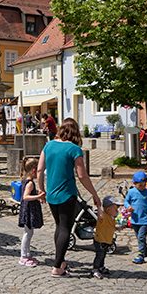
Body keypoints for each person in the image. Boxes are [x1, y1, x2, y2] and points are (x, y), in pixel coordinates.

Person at [36, 117, 101, 277]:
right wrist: (94, 194)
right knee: (65, 227)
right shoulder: (74, 149)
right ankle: (57, 266)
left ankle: (61, 261)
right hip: (67, 194)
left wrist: (41, 189)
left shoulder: (49, 145)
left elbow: (39, 170)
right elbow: (82, 175)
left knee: (59, 226)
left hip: (51, 194)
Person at [18, 157, 44, 267]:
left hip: (28, 209)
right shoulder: (30, 183)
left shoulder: (26, 180)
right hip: (28, 210)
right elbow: (25, 197)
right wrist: (39, 196)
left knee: (29, 232)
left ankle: (27, 254)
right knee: (28, 233)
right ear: (34, 170)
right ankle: (23, 256)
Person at [126, 170, 147, 264]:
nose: (142, 187)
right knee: (139, 237)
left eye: (144, 185)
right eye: (140, 185)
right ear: (134, 184)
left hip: (145, 220)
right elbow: (126, 201)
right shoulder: (131, 192)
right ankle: (145, 250)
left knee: (141, 237)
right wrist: (128, 207)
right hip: (135, 219)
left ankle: (141, 255)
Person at [92, 196, 121, 279]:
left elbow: (110, 227)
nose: (117, 211)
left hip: (106, 240)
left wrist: (117, 228)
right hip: (100, 240)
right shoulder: (103, 217)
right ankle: (95, 269)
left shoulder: (112, 218)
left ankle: (101, 267)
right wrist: (98, 205)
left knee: (103, 254)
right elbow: (100, 214)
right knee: (99, 255)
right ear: (108, 209)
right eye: (115, 209)